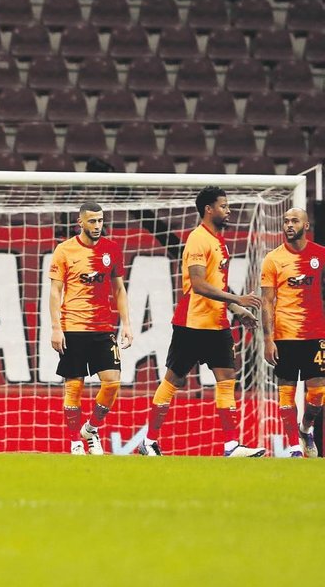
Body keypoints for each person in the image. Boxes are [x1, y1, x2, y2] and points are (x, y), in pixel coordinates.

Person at [142, 187, 265, 457]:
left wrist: (236, 309)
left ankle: (231, 445)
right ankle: (149, 441)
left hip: (217, 323)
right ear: (209, 209)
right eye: (223, 206)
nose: (228, 210)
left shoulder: (219, 241)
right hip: (192, 324)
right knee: (173, 380)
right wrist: (237, 298)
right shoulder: (197, 239)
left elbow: (214, 284)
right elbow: (198, 284)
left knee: (227, 379)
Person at [48, 202, 133, 455]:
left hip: (103, 327)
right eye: (92, 221)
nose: (97, 226)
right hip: (73, 326)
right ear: (80, 223)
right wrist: (56, 328)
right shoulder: (65, 250)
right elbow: (55, 291)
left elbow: (119, 289)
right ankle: (75, 441)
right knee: (74, 386)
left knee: (112, 383)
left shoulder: (111, 249)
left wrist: (126, 323)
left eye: (100, 221)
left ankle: (91, 428)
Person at [261, 208, 325, 458]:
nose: (289, 225)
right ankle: (294, 448)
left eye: (294, 221)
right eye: (286, 221)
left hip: (316, 333)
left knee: (318, 392)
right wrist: (268, 339)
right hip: (285, 334)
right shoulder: (273, 259)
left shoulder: (320, 255)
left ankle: (306, 428)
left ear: (306, 226)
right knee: (286, 391)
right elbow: (267, 301)